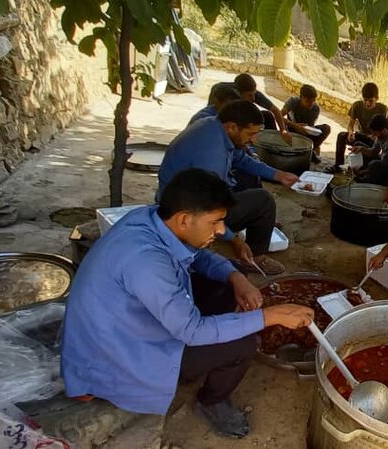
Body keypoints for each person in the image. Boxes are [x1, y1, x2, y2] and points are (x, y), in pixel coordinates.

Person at [62, 168, 315, 439]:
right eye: (215, 222)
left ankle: (211, 354)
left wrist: (236, 278)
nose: (220, 231)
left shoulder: (152, 219)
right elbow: (192, 331)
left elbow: (197, 256)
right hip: (118, 356)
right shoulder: (147, 261)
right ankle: (212, 401)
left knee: (225, 284)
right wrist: (271, 316)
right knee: (244, 344)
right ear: (184, 219)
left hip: (126, 324)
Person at [158, 100, 299, 275]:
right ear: (232, 127)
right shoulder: (211, 156)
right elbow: (208, 208)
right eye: (250, 133)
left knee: (248, 180)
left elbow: (239, 158)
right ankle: (254, 260)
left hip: (181, 196)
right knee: (264, 201)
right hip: (183, 211)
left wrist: (277, 174)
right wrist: (234, 240)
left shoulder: (213, 125)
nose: (253, 139)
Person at [211, 73, 292, 144]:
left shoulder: (253, 94)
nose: (253, 99)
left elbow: (275, 110)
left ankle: (271, 144)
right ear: (238, 93)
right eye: (250, 95)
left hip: (242, 116)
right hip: (229, 122)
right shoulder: (224, 96)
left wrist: (283, 130)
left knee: (267, 115)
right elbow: (216, 118)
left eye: (254, 94)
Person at [332, 82, 388, 170]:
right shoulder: (357, 105)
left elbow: (385, 131)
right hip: (362, 135)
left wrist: (375, 136)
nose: (367, 103)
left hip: (374, 140)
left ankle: (358, 169)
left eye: (371, 100)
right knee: (341, 136)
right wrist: (350, 133)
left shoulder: (383, 109)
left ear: (377, 99)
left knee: (357, 145)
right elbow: (350, 124)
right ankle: (338, 166)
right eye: (365, 100)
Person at [281, 84, 332, 161]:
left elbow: (311, 126)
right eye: (307, 101)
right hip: (292, 130)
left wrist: (308, 128)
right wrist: (295, 126)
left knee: (326, 128)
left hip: (306, 132)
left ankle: (311, 150)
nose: (311, 104)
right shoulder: (293, 102)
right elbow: (279, 116)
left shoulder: (315, 108)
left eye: (313, 101)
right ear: (301, 97)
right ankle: (310, 151)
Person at [358, 114, 388, 185]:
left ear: (384, 130)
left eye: (375, 133)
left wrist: (363, 171)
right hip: (383, 161)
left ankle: (368, 179)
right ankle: (364, 174)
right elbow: (373, 152)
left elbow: (387, 166)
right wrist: (361, 149)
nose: (373, 135)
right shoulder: (382, 135)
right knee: (359, 145)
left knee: (373, 165)